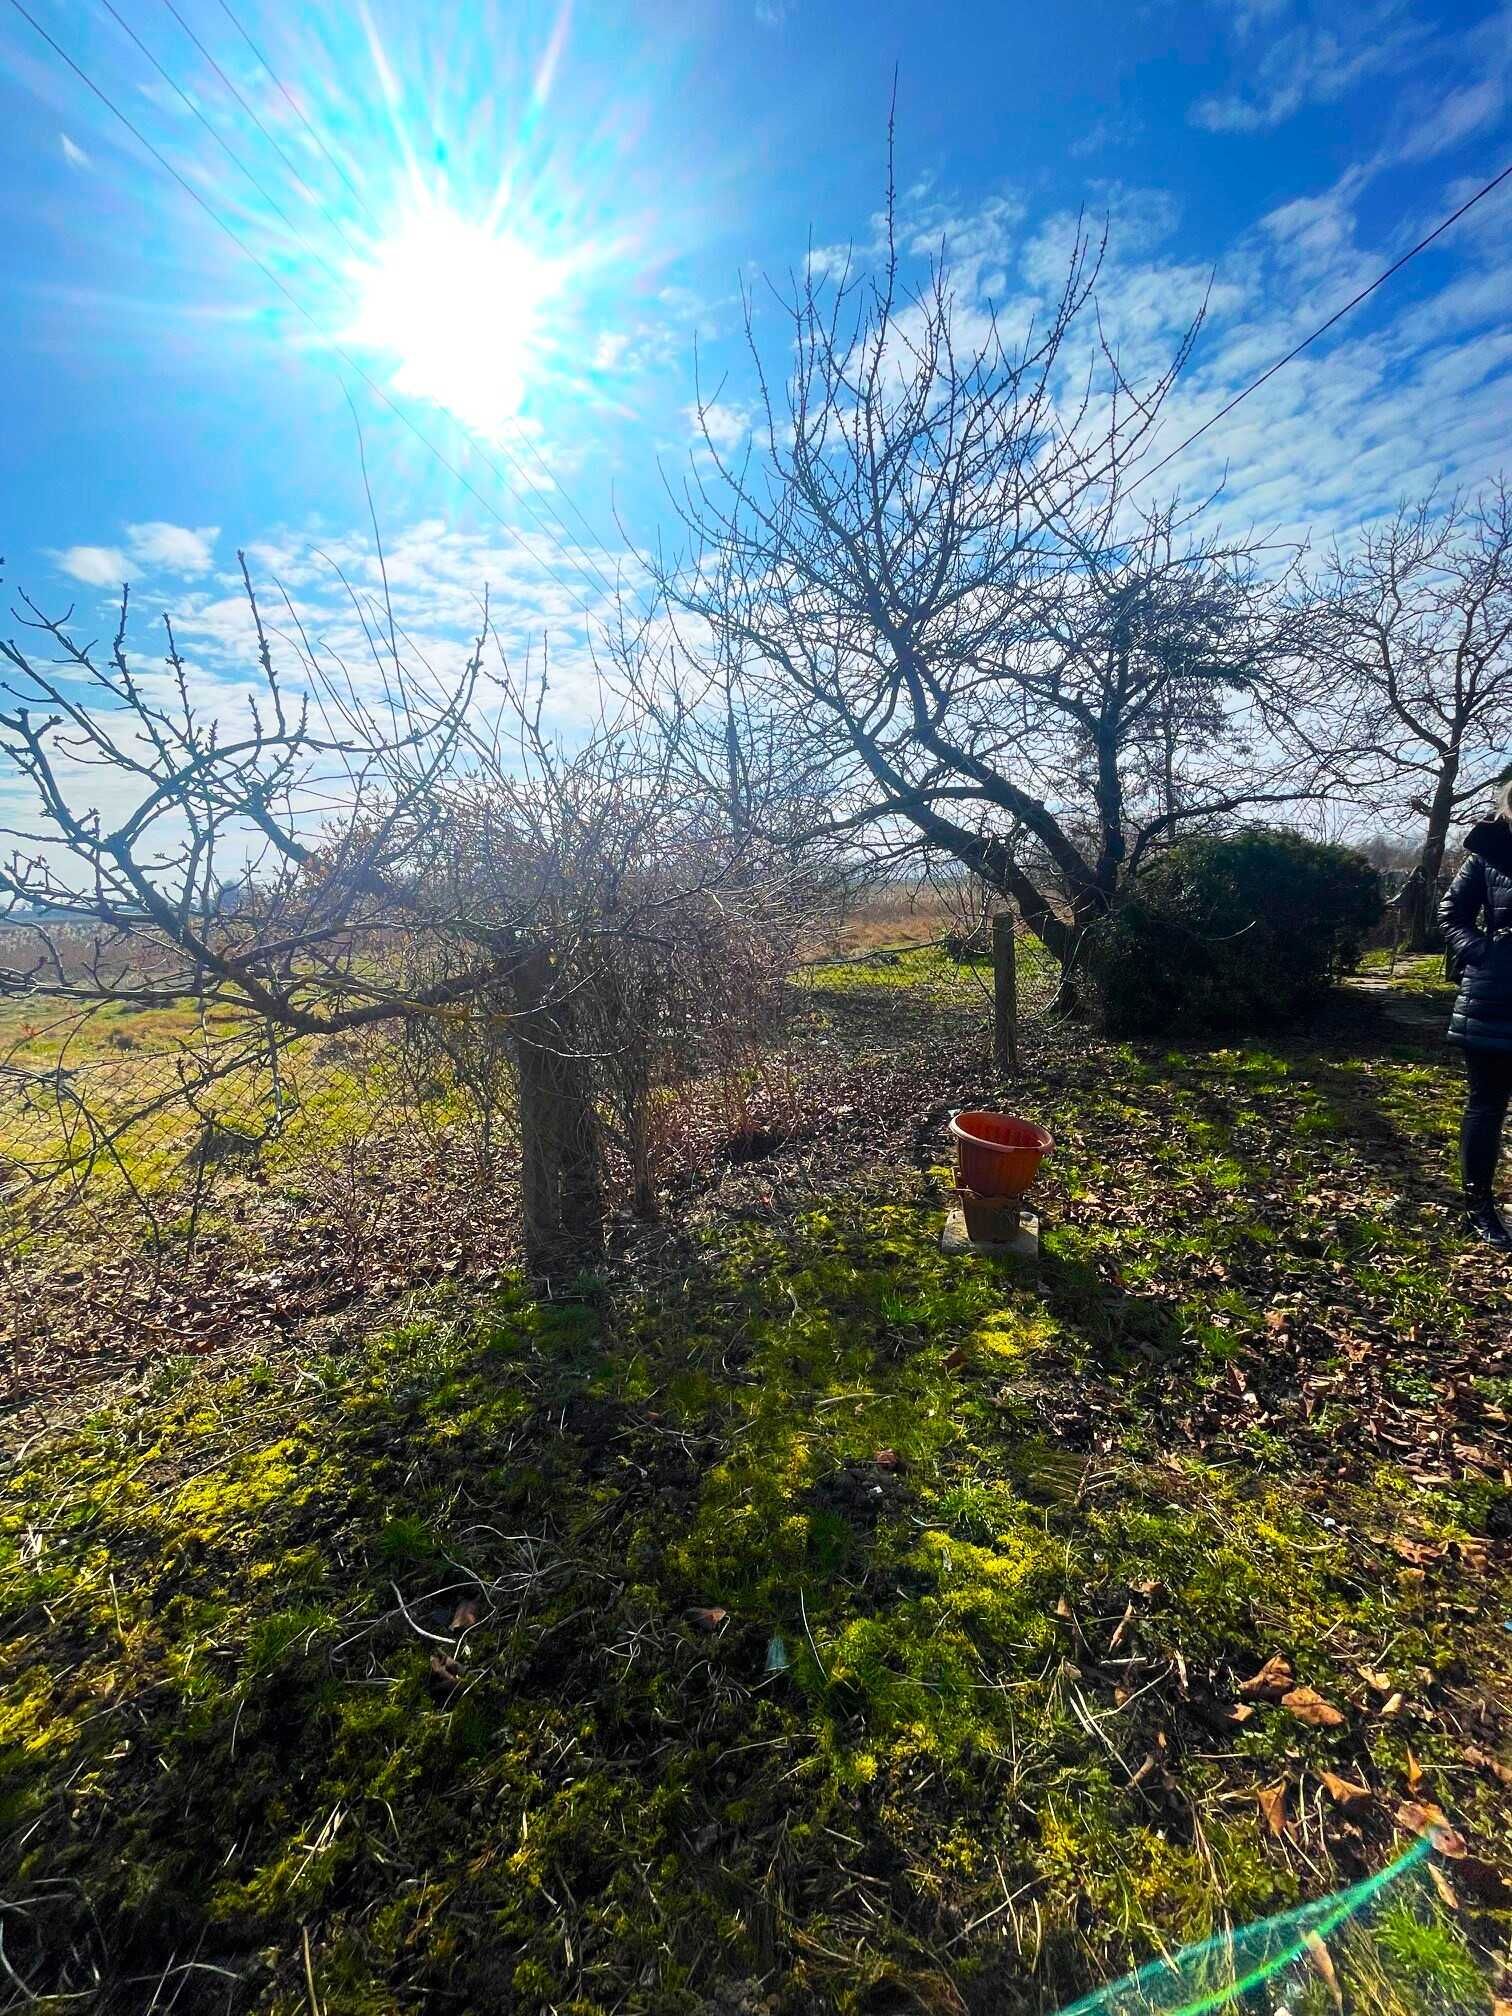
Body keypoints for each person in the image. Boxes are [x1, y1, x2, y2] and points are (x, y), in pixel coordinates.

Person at [1440, 781, 1512, 1249]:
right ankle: (1478, 1205)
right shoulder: (1488, 851)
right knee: (1487, 1105)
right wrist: (1483, 953)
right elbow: (1450, 912)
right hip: (1495, 995)